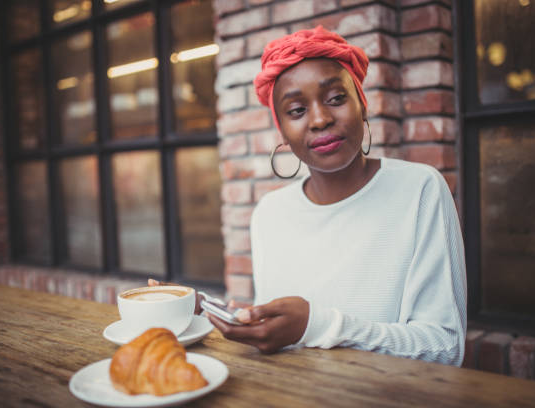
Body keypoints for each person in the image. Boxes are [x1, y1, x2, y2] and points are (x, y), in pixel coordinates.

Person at [159, 26, 467, 366]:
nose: (320, 119)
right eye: (296, 111)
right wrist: (215, 315)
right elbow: (282, 335)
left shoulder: (419, 190)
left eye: (336, 98)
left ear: (362, 105)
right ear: (283, 133)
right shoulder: (269, 213)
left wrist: (318, 326)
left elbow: (444, 348)